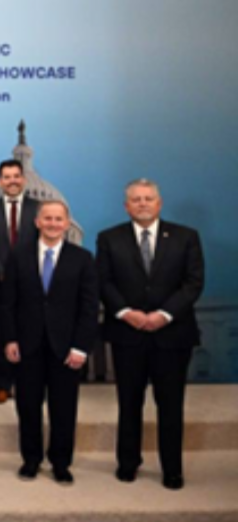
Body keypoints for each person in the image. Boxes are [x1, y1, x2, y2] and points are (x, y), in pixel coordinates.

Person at [97, 178, 204, 490]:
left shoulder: (186, 237)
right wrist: (126, 313)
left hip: (173, 334)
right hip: (127, 333)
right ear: (126, 206)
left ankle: (172, 469)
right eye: (136, 199)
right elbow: (103, 281)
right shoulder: (109, 238)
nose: (142, 203)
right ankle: (128, 463)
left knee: (170, 405)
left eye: (148, 198)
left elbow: (193, 283)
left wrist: (164, 315)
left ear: (159, 203)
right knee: (129, 403)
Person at [1, 201, 99, 485]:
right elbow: (7, 303)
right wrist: (10, 338)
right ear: (37, 222)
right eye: (48, 218)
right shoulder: (18, 255)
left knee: (64, 408)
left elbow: (89, 307)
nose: (53, 223)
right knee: (28, 406)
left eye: (58, 219)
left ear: (67, 224)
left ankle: (61, 462)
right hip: (26, 344)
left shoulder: (82, 258)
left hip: (66, 347)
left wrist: (81, 346)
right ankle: (31, 460)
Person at [0, 159, 41, 404]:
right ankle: (3, 385)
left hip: (31, 284)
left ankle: (28, 383)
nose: (12, 181)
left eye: (16, 176)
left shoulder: (38, 208)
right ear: (0, 181)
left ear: (23, 179)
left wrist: (23, 274)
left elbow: (44, 242)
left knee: (30, 334)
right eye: (7, 177)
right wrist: (2, 273)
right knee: (0, 335)